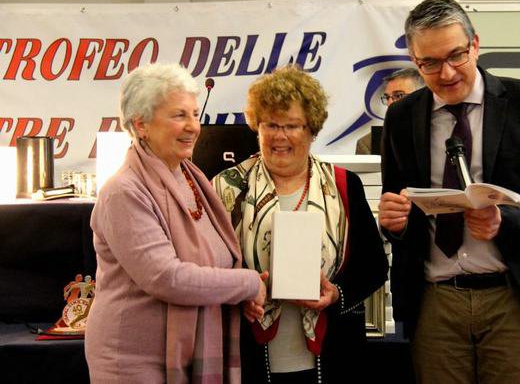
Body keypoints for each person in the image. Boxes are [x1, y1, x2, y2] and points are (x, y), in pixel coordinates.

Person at [378, 0, 520, 383]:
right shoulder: (402, 116)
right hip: (435, 303)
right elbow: (397, 205)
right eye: (429, 63)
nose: (446, 73)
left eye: (456, 55)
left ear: (475, 45)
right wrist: (394, 222)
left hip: (514, 298)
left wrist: (505, 220)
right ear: (414, 60)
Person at [85, 62, 267, 383]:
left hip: (181, 358)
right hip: (133, 363)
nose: (193, 126)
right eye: (179, 115)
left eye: (195, 114)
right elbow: (166, 278)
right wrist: (247, 284)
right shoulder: (123, 192)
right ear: (141, 124)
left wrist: (238, 297)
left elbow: (214, 260)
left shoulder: (192, 179)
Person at [212, 65, 388, 384]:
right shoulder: (226, 188)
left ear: (312, 130)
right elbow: (207, 270)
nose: (280, 136)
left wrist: (336, 294)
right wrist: (240, 294)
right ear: (256, 126)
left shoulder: (343, 185)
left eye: (292, 125)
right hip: (249, 354)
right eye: (270, 124)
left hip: (331, 354)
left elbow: (374, 266)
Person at [356, 67, 424, 154]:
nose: (390, 103)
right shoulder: (368, 144)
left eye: (399, 96)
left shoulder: (440, 131)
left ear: (423, 96)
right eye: (387, 98)